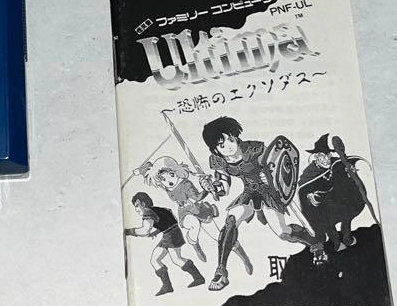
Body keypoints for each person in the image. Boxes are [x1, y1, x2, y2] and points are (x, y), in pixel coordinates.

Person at [201, 116, 311, 289]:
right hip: (249, 193)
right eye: (222, 145)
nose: (229, 146)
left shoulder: (255, 149)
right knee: (230, 220)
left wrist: (269, 177)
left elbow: (278, 167)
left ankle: (314, 243)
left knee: (283, 232)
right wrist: (212, 187)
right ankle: (221, 271)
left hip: (269, 192)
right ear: (215, 149)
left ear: (236, 136)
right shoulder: (218, 160)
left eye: (231, 140)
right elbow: (224, 186)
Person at [140, 156, 252, 281]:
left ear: (176, 171)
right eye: (163, 180)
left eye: (171, 175)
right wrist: (140, 171)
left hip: (200, 210)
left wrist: (207, 189)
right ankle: (195, 244)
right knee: (193, 224)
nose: (169, 181)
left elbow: (197, 196)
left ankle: (244, 258)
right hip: (185, 213)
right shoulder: (166, 186)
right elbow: (149, 175)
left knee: (221, 237)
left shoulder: (186, 183)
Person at [297, 134, 377, 264]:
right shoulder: (310, 171)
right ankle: (337, 243)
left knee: (348, 207)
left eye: (328, 155)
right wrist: (309, 196)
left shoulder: (337, 163)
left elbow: (345, 180)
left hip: (339, 201)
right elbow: (303, 188)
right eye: (322, 156)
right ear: (316, 157)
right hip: (323, 207)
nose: (326, 159)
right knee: (325, 220)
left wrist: (350, 172)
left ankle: (346, 236)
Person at [125, 191, 205, 296]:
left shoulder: (148, 212)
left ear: (143, 204)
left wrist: (129, 231)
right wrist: (157, 231)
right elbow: (169, 219)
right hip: (170, 234)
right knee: (155, 259)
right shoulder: (158, 209)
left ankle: (198, 278)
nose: (136, 209)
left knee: (176, 259)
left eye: (137, 206)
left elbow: (145, 231)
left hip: (172, 235)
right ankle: (167, 286)